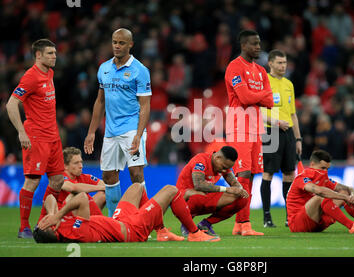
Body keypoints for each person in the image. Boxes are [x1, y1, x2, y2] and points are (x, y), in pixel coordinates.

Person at [84, 28, 151, 217]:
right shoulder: (104, 68)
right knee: (108, 176)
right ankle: (115, 220)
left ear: (130, 44)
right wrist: (91, 132)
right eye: (114, 42)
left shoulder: (140, 70)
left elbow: (145, 106)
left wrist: (138, 134)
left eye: (121, 43)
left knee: (136, 174)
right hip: (111, 131)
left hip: (131, 129)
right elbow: (100, 102)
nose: (117, 46)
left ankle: (145, 219)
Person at [6, 39, 65, 238]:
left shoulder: (50, 73)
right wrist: (21, 132)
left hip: (53, 136)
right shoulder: (30, 77)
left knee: (57, 180)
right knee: (32, 181)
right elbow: (11, 104)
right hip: (36, 136)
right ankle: (23, 227)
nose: (54, 56)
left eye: (55, 53)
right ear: (38, 55)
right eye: (50, 53)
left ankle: (43, 223)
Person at [33, 183, 220, 243]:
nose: (41, 221)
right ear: (52, 230)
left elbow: (49, 198)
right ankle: (195, 233)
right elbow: (81, 197)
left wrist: (53, 214)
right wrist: (57, 215)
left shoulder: (60, 226)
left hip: (119, 221)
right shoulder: (73, 232)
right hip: (132, 230)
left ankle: (161, 231)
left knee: (137, 187)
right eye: (43, 223)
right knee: (171, 190)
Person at [224, 29, 274, 236]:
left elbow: (270, 101)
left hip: (256, 128)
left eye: (259, 43)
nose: (258, 47)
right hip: (239, 126)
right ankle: (244, 223)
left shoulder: (261, 71)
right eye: (254, 44)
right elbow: (243, 98)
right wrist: (260, 96)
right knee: (242, 174)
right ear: (244, 45)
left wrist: (257, 96)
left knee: (252, 175)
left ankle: (239, 224)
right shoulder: (234, 67)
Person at [286, 149, 354, 234]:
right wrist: (344, 198)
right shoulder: (302, 177)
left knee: (344, 193)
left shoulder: (324, 178)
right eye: (322, 168)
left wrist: (352, 195)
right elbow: (318, 191)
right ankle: (351, 225)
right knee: (321, 196)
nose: (325, 172)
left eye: (327, 169)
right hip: (298, 224)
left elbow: (348, 189)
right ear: (312, 164)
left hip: (317, 223)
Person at [260, 49, 303, 228]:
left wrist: (298, 139)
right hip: (271, 132)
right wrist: (276, 122)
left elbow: (293, 114)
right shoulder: (264, 83)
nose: (283, 66)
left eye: (284, 63)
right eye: (279, 63)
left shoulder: (288, 84)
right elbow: (259, 112)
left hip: (288, 134)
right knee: (268, 173)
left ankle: (289, 216)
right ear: (270, 63)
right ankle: (267, 217)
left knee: (289, 174)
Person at [176, 146, 249, 236]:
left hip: (204, 198)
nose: (224, 170)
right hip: (184, 201)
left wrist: (240, 189)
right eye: (223, 167)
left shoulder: (222, 164)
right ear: (217, 157)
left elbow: (234, 182)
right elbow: (199, 185)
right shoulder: (201, 160)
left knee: (242, 199)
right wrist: (227, 189)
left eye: (226, 168)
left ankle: (205, 224)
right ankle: (187, 224)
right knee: (199, 194)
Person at [37, 147, 106, 223]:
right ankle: (98, 223)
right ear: (65, 166)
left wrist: (104, 187)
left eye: (81, 162)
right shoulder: (59, 178)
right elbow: (73, 188)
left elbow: (105, 185)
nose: (81, 166)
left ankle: (96, 222)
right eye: (76, 163)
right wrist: (101, 187)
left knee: (102, 195)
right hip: (59, 218)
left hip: (74, 215)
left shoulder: (82, 177)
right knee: (79, 195)